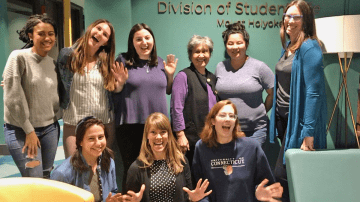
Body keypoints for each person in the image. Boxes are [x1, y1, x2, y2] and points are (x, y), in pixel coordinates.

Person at [268, 1, 327, 201]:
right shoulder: (289, 48)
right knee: (291, 177)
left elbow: (314, 92)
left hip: (299, 125)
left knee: (283, 175)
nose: (289, 20)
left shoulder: (310, 47)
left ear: (306, 21)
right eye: (287, 15)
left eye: (296, 17)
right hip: (284, 121)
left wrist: (308, 133)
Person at [113, 23, 177, 188]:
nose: (144, 42)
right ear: (132, 42)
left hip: (157, 128)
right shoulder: (122, 60)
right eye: (138, 39)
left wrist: (170, 75)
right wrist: (119, 83)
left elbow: (168, 89)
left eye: (147, 38)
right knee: (132, 170)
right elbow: (115, 91)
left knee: (156, 169)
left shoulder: (161, 63)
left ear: (153, 40)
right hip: (130, 125)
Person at [57, 19, 127, 158]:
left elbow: (112, 90)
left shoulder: (107, 62)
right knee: (74, 171)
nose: (100, 34)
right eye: (98, 28)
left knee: (102, 171)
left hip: (103, 125)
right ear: (91, 28)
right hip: (74, 124)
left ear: (106, 42)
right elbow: (54, 80)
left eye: (105, 34)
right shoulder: (67, 55)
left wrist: (120, 84)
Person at [3, 14, 60, 178]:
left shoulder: (53, 63)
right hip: (22, 130)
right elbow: (13, 98)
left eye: (51, 34)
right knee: (34, 178)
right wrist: (29, 130)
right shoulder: (18, 57)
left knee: (46, 176)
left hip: (50, 129)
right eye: (41, 33)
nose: (47, 38)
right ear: (30, 35)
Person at [192, 100, 283, 202]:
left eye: (232, 116)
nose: (228, 119)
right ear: (213, 121)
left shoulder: (252, 147)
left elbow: (267, 184)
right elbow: (198, 189)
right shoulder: (202, 147)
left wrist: (259, 194)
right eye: (222, 115)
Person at [123, 112, 212, 202]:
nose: (158, 137)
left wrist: (192, 199)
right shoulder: (136, 168)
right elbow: (130, 199)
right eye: (153, 132)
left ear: (169, 135)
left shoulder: (181, 161)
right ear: (147, 136)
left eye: (163, 132)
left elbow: (187, 197)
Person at [215, 22, 274, 146]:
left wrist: (261, 111)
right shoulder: (220, 67)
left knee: (249, 163)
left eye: (239, 43)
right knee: (230, 166)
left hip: (255, 131)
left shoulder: (260, 67)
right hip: (227, 130)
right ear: (226, 46)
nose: (235, 47)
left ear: (246, 44)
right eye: (230, 43)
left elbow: (273, 94)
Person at [51, 116, 122, 202]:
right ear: (80, 142)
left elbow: (113, 191)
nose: (98, 143)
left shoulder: (109, 162)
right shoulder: (62, 173)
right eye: (91, 139)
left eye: (100, 137)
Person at [171, 35, 217, 167]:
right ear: (190, 55)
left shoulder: (212, 78)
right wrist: (180, 135)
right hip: (189, 141)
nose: (201, 55)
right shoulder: (183, 76)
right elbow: (176, 108)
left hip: (210, 139)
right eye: (197, 51)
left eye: (205, 51)